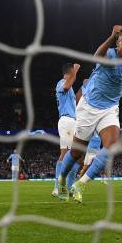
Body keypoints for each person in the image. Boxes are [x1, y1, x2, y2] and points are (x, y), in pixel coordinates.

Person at [57, 25, 122, 203]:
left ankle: (80, 184)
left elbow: (120, 77)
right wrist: (111, 36)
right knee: (77, 153)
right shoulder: (109, 54)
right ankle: (61, 179)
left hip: (109, 108)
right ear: (118, 43)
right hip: (89, 106)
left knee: (112, 145)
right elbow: (96, 56)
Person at [52, 62, 80, 197]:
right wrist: (76, 70)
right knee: (65, 154)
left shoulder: (70, 89)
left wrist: (83, 87)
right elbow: (67, 85)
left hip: (72, 122)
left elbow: (76, 100)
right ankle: (57, 187)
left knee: (74, 155)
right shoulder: (62, 83)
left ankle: (69, 187)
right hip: (66, 121)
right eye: (72, 73)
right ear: (68, 73)